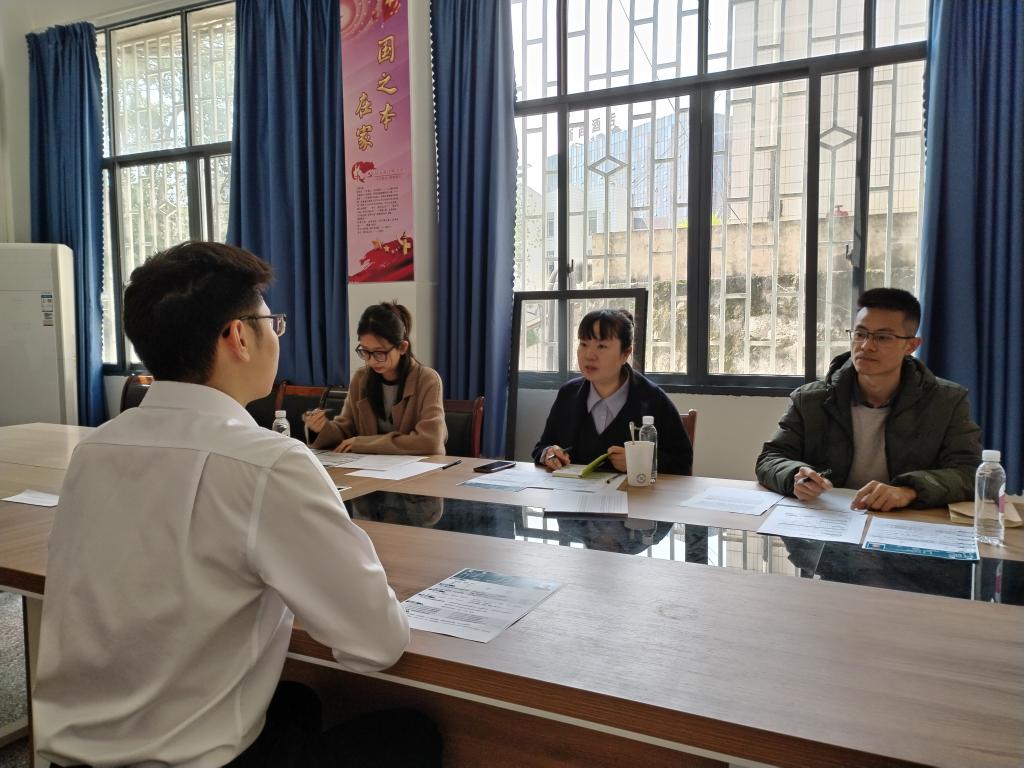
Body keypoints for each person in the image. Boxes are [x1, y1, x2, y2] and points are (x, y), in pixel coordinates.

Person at [33, 242, 441, 767]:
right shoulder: (268, 464)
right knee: (413, 734)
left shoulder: (93, 449)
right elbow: (377, 643)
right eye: (273, 323)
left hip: (69, 756)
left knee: (296, 703)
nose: (277, 336)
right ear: (238, 336)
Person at [756, 287, 981, 511]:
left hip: (903, 519)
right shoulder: (810, 399)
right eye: (860, 334)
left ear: (911, 345)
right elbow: (771, 458)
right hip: (830, 516)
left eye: (883, 337)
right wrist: (794, 476)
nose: (866, 346)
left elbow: (969, 473)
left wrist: (909, 490)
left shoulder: (946, 401)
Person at [532, 308, 693, 475]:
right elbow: (542, 446)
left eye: (601, 346)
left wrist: (640, 461)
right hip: (574, 490)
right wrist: (549, 453)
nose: (589, 355)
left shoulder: (653, 399)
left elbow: (683, 462)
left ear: (625, 353)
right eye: (583, 344)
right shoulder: (568, 394)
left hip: (634, 492)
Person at [305, 302, 446, 455]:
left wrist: (364, 444)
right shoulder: (361, 379)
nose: (371, 361)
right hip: (369, 467)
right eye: (365, 351)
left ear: (402, 347)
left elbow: (430, 442)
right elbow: (345, 430)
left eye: (379, 353)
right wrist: (320, 428)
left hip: (418, 468)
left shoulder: (427, 380)